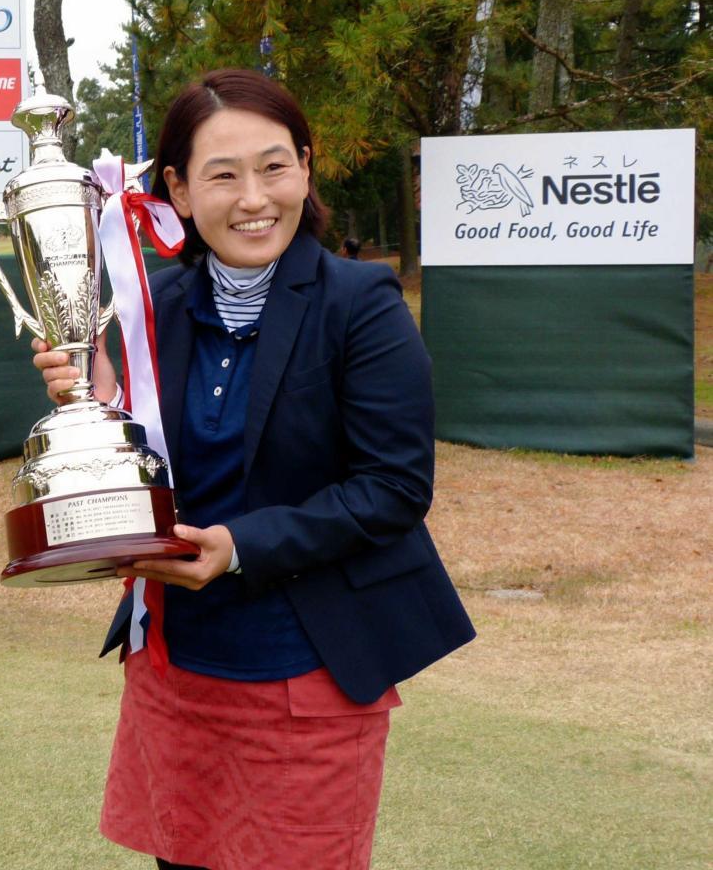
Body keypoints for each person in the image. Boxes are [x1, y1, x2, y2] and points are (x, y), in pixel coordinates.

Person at [32, 68, 475, 870]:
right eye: (221, 175)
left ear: (305, 167)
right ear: (177, 187)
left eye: (273, 167)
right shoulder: (147, 308)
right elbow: (145, 462)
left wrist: (237, 546)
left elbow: (393, 489)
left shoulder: (361, 303)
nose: (252, 198)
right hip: (177, 670)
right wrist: (91, 405)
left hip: (308, 673)